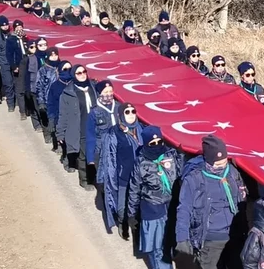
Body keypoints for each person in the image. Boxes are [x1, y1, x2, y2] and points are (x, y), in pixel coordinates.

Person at [176, 135, 248, 269]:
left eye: (224, 161)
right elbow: (184, 209)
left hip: (234, 235)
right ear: (208, 160)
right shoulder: (194, 179)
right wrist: (182, 237)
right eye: (217, 163)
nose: (222, 166)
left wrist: (244, 228)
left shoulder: (232, 172)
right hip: (211, 239)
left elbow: (242, 200)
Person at [128, 126, 181, 269]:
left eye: (159, 141)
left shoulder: (172, 155)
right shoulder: (141, 162)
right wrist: (131, 214)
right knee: (157, 249)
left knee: (169, 245)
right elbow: (134, 189)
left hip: (170, 208)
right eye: (153, 143)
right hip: (152, 210)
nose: (157, 145)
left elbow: (181, 178)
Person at [99, 102, 145, 237]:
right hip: (123, 176)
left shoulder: (141, 129)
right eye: (127, 112)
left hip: (140, 177)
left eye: (133, 111)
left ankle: (137, 230)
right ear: (121, 115)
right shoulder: (114, 133)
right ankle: (122, 223)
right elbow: (107, 157)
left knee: (138, 205)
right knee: (122, 207)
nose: (131, 115)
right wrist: (102, 178)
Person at [57, 65, 97, 189]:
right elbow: (63, 114)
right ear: (74, 75)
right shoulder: (68, 93)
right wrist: (60, 133)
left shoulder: (93, 87)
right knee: (84, 155)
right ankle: (85, 180)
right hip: (81, 128)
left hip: (96, 127)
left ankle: (96, 177)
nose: (82, 74)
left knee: (96, 153)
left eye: (84, 72)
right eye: (79, 73)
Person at [84, 80, 119, 193]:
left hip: (118, 149)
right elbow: (90, 136)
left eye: (110, 91)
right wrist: (90, 158)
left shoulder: (119, 108)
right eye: (105, 91)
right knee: (105, 183)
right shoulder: (94, 112)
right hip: (101, 151)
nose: (108, 94)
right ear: (99, 93)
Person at [36, 47, 62, 144]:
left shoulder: (62, 67)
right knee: (50, 121)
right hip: (48, 100)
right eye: (52, 55)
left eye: (56, 55)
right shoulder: (43, 70)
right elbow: (39, 86)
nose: (54, 57)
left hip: (61, 99)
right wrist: (41, 101)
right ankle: (51, 137)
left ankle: (60, 142)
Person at [46, 61, 73, 152]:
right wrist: (51, 117)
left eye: (70, 69)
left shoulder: (74, 83)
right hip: (60, 116)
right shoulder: (55, 86)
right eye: (65, 69)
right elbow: (51, 103)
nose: (68, 71)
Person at [7, 20, 29, 116]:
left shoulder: (26, 38)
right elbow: (9, 54)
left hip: (27, 63)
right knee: (20, 89)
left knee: (28, 87)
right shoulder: (11, 39)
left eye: (21, 26)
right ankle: (22, 111)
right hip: (18, 65)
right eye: (17, 27)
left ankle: (29, 109)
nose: (19, 28)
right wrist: (14, 66)